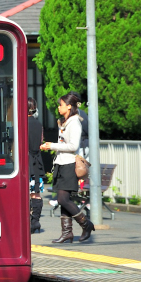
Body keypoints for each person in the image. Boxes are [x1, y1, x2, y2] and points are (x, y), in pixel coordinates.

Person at [40, 92, 95, 243]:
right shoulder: (65, 122)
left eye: (61, 104)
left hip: (69, 164)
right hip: (61, 163)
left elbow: (73, 146)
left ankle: (86, 224)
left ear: (69, 106)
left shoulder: (74, 123)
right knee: (63, 199)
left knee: (63, 199)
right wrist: (52, 146)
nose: (58, 107)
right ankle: (67, 233)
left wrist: (52, 145)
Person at [27, 98, 44, 233]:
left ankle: (27, 221)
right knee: (36, 193)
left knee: (24, 194)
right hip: (37, 162)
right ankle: (35, 222)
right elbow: (41, 141)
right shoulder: (38, 124)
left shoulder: (22, 124)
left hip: (26, 163)